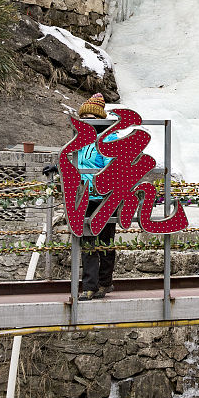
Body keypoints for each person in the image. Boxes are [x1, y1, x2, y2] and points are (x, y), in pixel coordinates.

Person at [73, 95, 119, 300]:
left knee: (106, 240)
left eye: (90, 117)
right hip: (85, 196)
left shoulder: (108, 139)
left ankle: (105, 282)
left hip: (105, 197)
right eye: (83, 118)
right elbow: (72, 161)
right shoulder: (80, 141)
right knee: (88, 239)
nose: (86, 122)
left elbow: (114, 166)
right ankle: (90, 285)